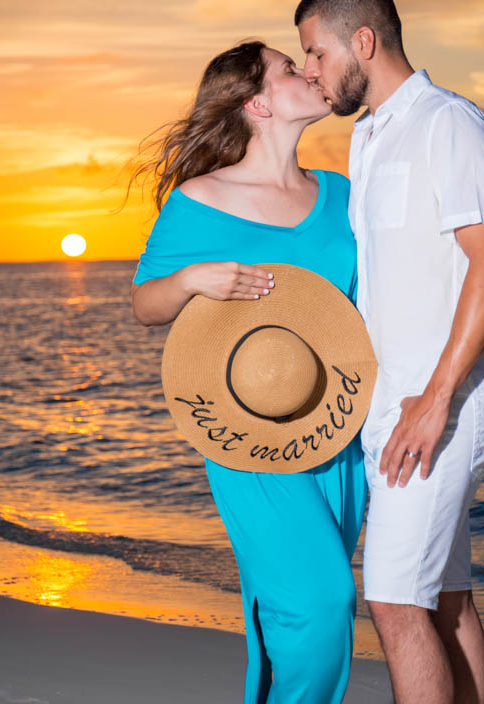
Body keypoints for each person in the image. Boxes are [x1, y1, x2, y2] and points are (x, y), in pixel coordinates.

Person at [295, 0, 484, 704]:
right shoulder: (366, 137)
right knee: (445, 602)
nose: (310, 72)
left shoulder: (449, 124)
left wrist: (435, 399)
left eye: (316, 54)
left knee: (393, 602)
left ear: (364, 41)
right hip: (393, 408)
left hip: (438, 408)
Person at [124, 40, 368, 704]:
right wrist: (191, 279)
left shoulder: (342, 194)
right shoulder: (202, 199)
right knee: (322, 601)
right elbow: (147, 303)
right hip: (250, 438)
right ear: (256, 101)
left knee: (296, 612)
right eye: (291, 68)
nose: (310, 72)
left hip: (340, 425)